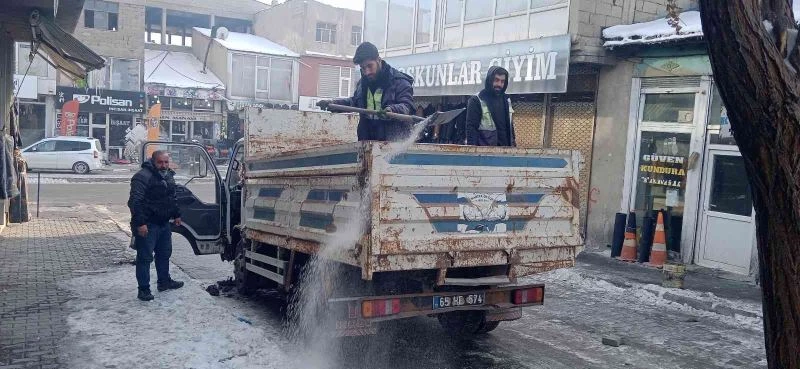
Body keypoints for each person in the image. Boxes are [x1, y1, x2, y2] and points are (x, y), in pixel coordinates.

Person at [317, 42, 415, 141]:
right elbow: (354, 102)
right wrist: (332, 104)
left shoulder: (400, 82)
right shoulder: (362, 84)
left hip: (393, 145)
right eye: (363, 68)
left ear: (379, 60)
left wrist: (391, 110)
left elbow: (407, 107)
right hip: (367, 144)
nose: (367, 72)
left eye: (369, 66)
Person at [128, 150, 184, 301]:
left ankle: (164, 282)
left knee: (164, 254)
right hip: (148, 224)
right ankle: (144, 290)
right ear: (153, 161)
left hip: (163, 223)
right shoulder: (142, 177)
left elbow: (172, 198)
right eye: (160, 162)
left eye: (166, 162)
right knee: (145, 258)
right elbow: (135, 202)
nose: (164, 165)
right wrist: (140, 224)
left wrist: (176, 214)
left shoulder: (168, 176)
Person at [465, 66, 516, 147]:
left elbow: (510, 128)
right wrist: (472, 154)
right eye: (496, 80)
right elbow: (471, 130)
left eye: (502, 81)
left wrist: (513, 147)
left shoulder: (507, 99)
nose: (499, 84)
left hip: (506, 151)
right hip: (485, 153)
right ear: (489, 79)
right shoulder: (477, 100)